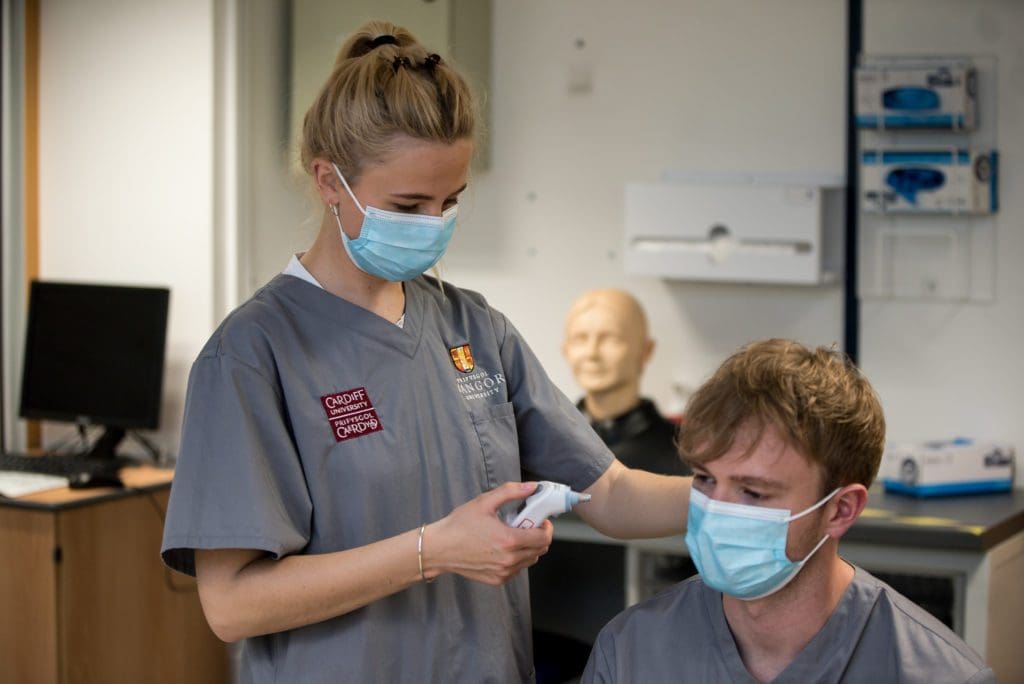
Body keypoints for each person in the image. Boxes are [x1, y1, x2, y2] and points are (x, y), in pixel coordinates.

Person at [160, 20, 690, 684]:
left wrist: (735, 500)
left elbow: (609, 491)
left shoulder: (472, 328)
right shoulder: (252, 355)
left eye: (449, 202)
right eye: (408, 205)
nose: (433, 225)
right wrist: (430, 551)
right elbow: (232, 605)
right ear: (329, 181)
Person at [583, 339, 994, 684]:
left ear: (841, 509)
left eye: (753, 492)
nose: (715, 512)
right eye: (705, 479)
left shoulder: (938, 674)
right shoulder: (631, 652)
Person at [562, 288, 688, 477]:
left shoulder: (685, 454)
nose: (592, 353)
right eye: (580, 339)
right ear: (565, 350)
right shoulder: (540, 444)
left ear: (646, 350)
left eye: (610, 338)